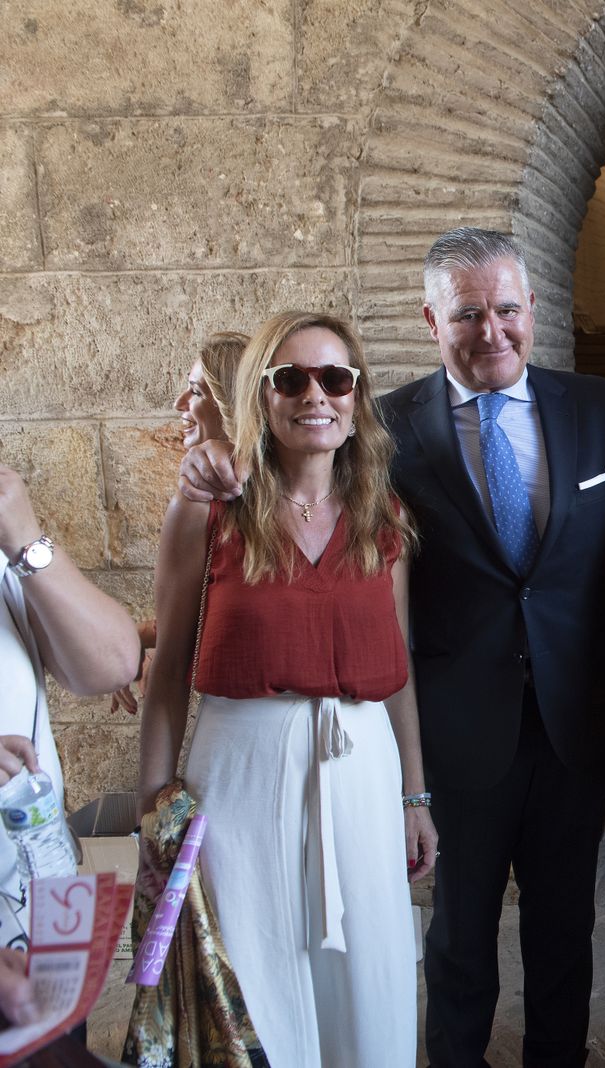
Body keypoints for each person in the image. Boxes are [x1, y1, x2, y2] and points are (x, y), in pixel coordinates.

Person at [181, 227, 605, 1066]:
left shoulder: (601, 410)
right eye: (469, 314)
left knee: (565, 943)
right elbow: (303, 549)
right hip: (456, 733)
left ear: (533, 309)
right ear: (432, 320)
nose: (492, 331)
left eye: (508, 309)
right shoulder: (381, 428)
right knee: (459, 949)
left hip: (574, 729)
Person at [140, 311, 432, 1066]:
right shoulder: (208, 514)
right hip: (241, 766)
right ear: (262, 398)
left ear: (357, 397)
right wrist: (156, 812)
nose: (316, 396)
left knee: (366, 974)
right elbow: (167, 674)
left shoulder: (383, 518)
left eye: (335, 379)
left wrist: (415, 795)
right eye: (291, 379)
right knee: (254, 965)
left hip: (362, 766)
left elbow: (397, 668)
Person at [0, 459, 140, 943]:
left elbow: (114, 664)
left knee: (62, 1018)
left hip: (43, 901)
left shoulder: (5, 554)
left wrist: (24, 539)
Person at [111, 331, 251, 716]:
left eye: (197, 392)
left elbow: (251, 629)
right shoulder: (197, 500)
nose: (179, 404)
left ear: (233, 405)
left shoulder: (284, 501)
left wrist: (143, 641)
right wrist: (142, 642)